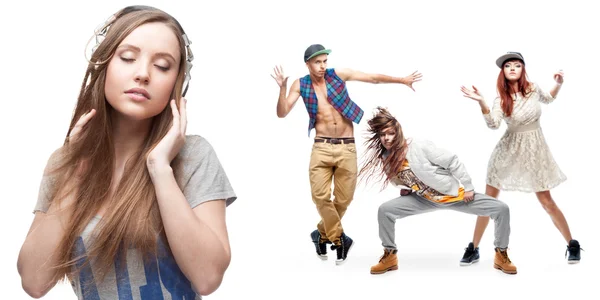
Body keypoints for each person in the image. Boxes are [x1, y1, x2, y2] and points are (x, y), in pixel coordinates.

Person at [17, 6, 237, 299]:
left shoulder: (193, 155)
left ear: (177, 84)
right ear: (103, 64)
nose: (143, 74)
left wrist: (160, 169)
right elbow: (33, 281)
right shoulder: (65, 160)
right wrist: (74, 175)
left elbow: (208, 277)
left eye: (162, 66)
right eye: (128, 58)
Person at [271, 44, 422, 265]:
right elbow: (282, 113)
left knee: (344, 199)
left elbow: (372, 78)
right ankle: (340, 239)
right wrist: (282, 89)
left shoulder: (337, 76)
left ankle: (321, 234)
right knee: (320, 197)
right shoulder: (300, 84)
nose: (322, 66)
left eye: (324, 61)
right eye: (317, 62)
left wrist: (402, 80)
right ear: (307, 64)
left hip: (347, 147)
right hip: (321, 147)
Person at [359, 107, 517, 275]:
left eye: (390, 133)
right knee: (385, 211)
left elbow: (452, 162)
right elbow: (395, 179)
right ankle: (389, 256)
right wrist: (404, 188)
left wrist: (469, 187)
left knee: (501, 209)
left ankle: (501, 255)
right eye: (383, 135)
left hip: (454, 196)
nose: (386, 138)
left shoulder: (419, 146)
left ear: (398, 131)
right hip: (422, 199)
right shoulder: (387, 157)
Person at [460, 51, 582, 265]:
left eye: (517, 65)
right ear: (503, 72)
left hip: (534, 151)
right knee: (489, 202)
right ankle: (474, 248)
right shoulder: (501, 98)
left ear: (523, 69)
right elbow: (493, 124)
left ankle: (572, 244)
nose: (513, 68)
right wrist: (482, 103)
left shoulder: (533, 89)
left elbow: (549, 98)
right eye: (508, 66)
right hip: (507, 151)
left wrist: (558, 83)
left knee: (546, 201)